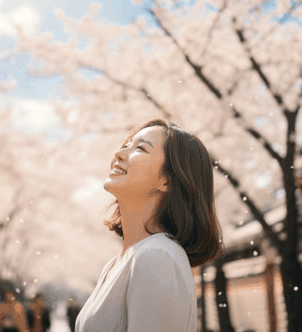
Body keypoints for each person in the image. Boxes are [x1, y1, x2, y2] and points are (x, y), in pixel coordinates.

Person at [75, 118, 223, 332]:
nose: (119, 153)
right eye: (125, 145)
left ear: (167, 180)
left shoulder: (158, 256)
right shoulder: (118, 263)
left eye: (141, 148)